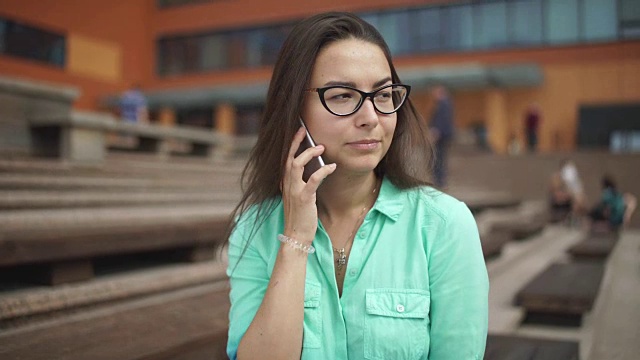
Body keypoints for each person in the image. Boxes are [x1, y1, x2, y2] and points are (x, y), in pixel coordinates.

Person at [226, 12, 488, 360]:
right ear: (294, 109)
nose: (370, 118)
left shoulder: (444, 225)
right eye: (342, 96)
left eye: (383, 94)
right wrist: (296, 242)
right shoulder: (255, 229)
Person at [429, 84, 454, 188]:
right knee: (439, 158)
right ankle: (440, 181)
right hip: (443, 135)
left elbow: (442, 121)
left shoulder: (444, 104)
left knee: (439, 159)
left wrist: (436, 131)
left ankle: (440, 181)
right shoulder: (444, 104)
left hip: (441, 136)